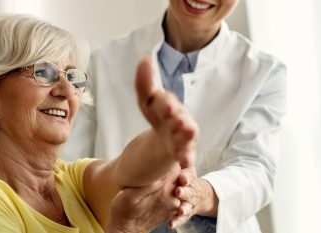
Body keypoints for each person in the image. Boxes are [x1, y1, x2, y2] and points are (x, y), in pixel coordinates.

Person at [0, 14, 199, 233]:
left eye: (72, 76)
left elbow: (127, 169)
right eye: (44, 72)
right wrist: (125, 229)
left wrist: (166, 139)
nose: (67, 91)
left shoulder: (72, 181)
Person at [60, 0, 287, 232]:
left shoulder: (266, 72)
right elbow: (68, 172)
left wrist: (200, 193)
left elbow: (256, 169)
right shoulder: (103, 62)